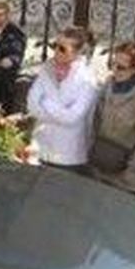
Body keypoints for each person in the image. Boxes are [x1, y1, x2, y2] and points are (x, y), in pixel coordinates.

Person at [88, 42, 135, 196]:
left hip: (126, 179)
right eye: (112, 64)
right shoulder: (109, 86)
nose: (114, 70)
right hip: (100, 167)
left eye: (121, 67)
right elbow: (95, 122)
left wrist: (133, 173)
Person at [25, 27, 100, 171]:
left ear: (77, 52)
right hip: (40, 147)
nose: (56, 52)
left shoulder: (87, 80)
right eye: (55, 46)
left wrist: (45, 102)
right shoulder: (46, 70)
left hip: (68, 154)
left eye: (62, 48)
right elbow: (32, 105)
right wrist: (58, 110)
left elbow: (72, 117)